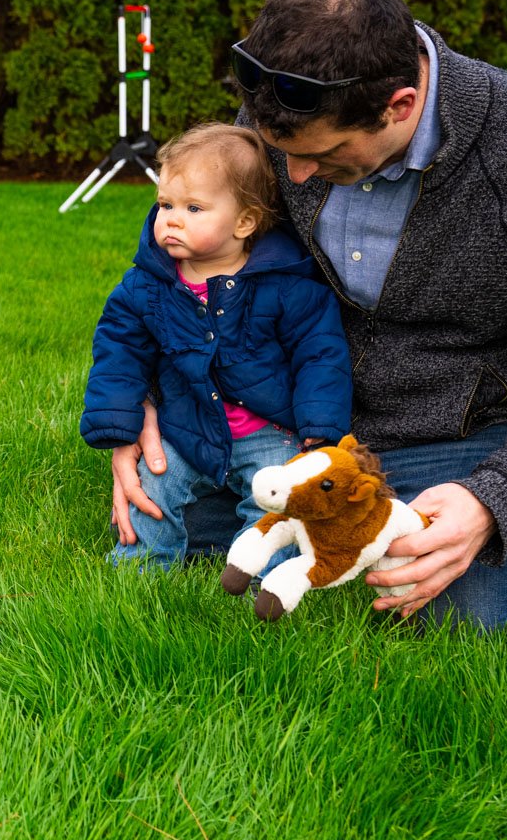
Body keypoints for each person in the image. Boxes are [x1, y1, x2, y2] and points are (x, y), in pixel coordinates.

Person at [109, 0, 507, 628]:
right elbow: (178, 259)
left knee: (464, 612)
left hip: (463, 428)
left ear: (400, 105)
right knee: (166, 528)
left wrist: (499, 496)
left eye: (327, 154)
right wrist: (140, 401)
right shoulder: (284, 108)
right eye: (281, 152)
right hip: (300, 422)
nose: (297, 176)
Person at [81, 123, 351, 567]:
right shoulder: (149, 284)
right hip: (184, 426)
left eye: (193, 207)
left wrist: (320, 428)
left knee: (275, 502)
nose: (171, 218)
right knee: (154, 487)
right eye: (165, 204)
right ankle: (140, 569)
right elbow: (118, 350)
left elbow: (320, 354)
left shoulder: (284, 284)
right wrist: (117, 421)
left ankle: (257, 578)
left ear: (244, 222)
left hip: (268, 429)